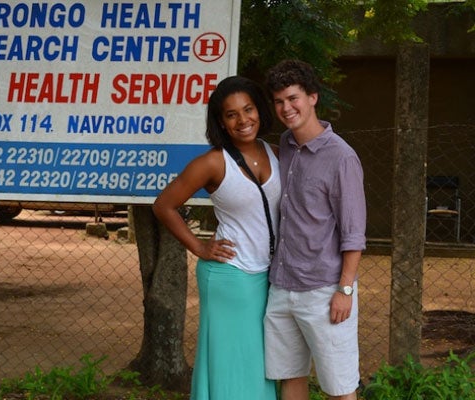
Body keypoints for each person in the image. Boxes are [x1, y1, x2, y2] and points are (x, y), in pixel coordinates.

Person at [153, 76, 280, 400]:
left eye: (248, 109)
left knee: (262, 363)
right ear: (221, 122)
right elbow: (164, 205)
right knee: (232, 364)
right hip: (230, 274)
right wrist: (198, 246)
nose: (242, 120)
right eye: (231, 114)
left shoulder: (277, 152)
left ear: (259, 111)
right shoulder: (212, 162)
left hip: (269, 275)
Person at [263, 59, 367, 400]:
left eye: (293, 98)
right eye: (279, 101)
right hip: (282, 286)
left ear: (312, 98)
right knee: (290, 378)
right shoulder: (287, 145)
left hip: (324, 291)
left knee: (339, 388)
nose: (286, 108)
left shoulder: (341, 158)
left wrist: (345, 291)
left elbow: (354, 233)